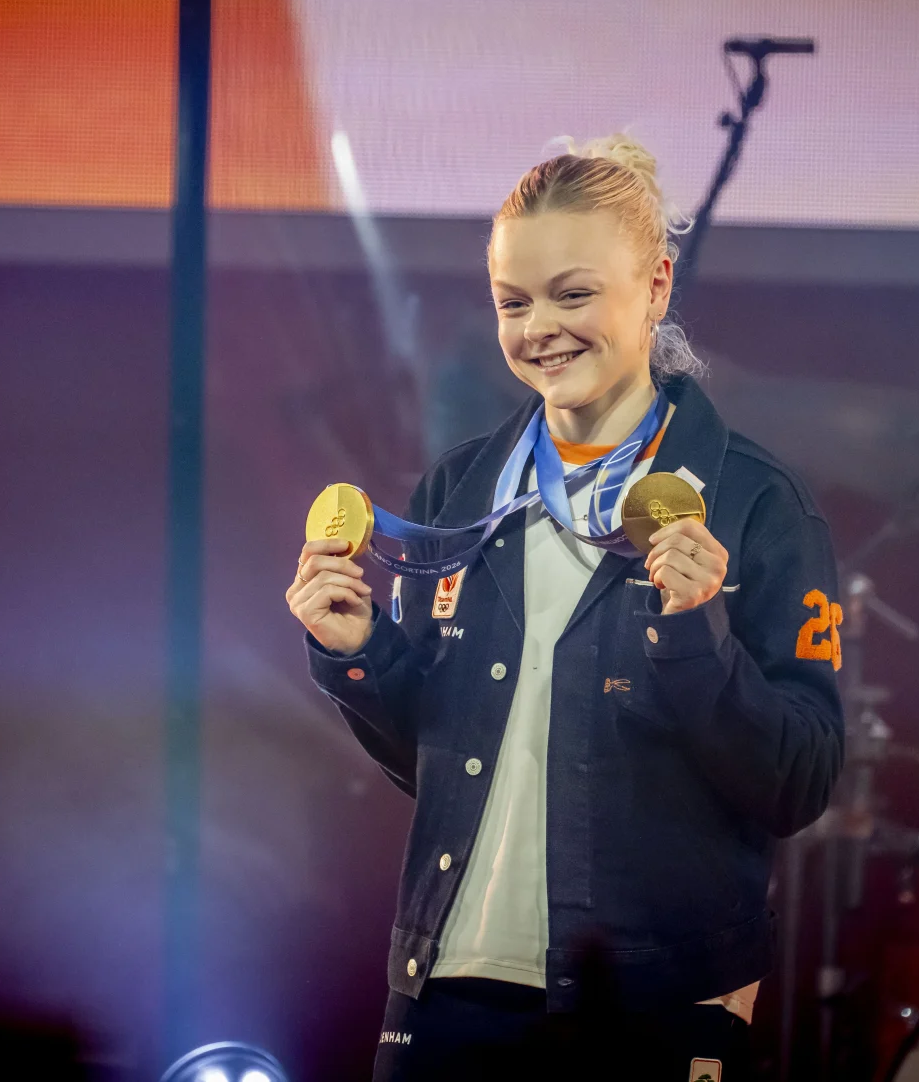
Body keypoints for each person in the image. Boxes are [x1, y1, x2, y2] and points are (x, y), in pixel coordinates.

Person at [286, 136, 844, 1081]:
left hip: (654, 1003)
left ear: (657, 285)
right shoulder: (461, 487)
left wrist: (695, 636)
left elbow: (799, 781)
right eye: (514, 302)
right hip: (446, 988)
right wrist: (359, 656)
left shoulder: (754, 504)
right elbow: (438, 761)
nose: (540, 327)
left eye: (573, 294)